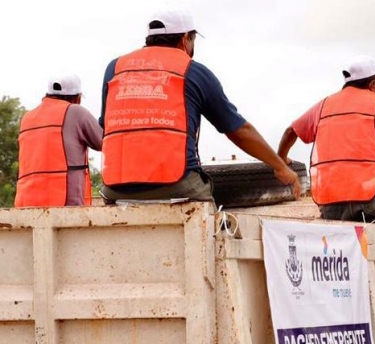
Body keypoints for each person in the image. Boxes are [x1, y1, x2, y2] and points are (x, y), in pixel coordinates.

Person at [99, 8, 299, 202]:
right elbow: (239, 131)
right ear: (186, 39)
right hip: (175, 184)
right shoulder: (193, 72)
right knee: (212, 215)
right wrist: (280, 166)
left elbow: (105, 126)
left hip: (114, 187)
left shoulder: (114, 68)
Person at [277, 55, 375, 223]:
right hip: (369, 192)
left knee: (339, 247)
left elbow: (290, 131)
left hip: (330, 195)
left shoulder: (323, 105)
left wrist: (281, 161)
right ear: (372, 85)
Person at [15, 74, 102, 207]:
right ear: (77, 97)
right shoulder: (76, 112)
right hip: (65, 204)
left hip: (27, 204)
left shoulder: (27, 118)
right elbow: (104, 141)